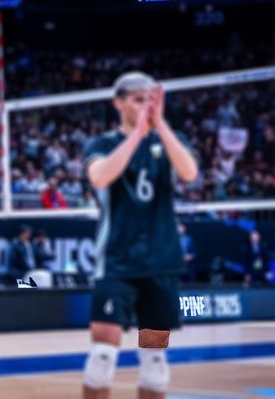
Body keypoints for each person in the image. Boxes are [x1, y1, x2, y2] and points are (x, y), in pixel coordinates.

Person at [81, 72, 198, 399]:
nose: (146, 106)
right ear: (118, 103)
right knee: (102, 357)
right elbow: (100, 177)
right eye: (137, 100)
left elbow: (190, 173)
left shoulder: (170, 139)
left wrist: (160, 126)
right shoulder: (101, 144)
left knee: (155, 362)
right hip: (116, 262)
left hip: (160, 262)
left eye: (150, 100)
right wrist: (137, 134)